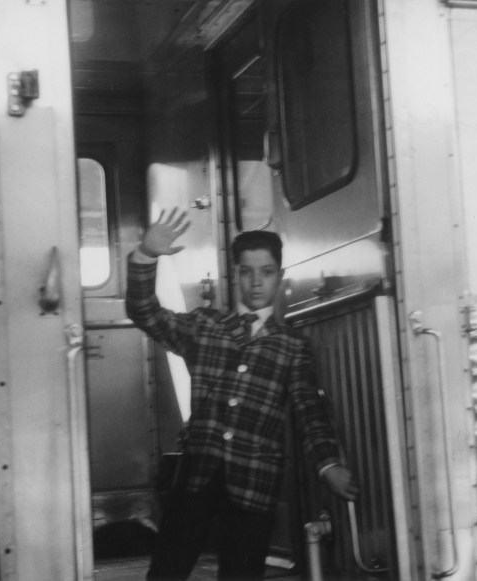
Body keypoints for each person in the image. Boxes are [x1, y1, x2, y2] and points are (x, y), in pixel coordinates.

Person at [126, 208, 358, 580]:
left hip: (255, 480)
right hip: (197, 473)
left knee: (242, 573)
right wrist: (146, 255)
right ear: (235, 275)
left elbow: (309, 411)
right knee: (168, 569)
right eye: (246, 272)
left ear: (279, 277)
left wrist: (328, 464)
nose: (255, 282)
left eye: (266, 272)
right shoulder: (204, 324)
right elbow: (144, 312)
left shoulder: (291, 345)